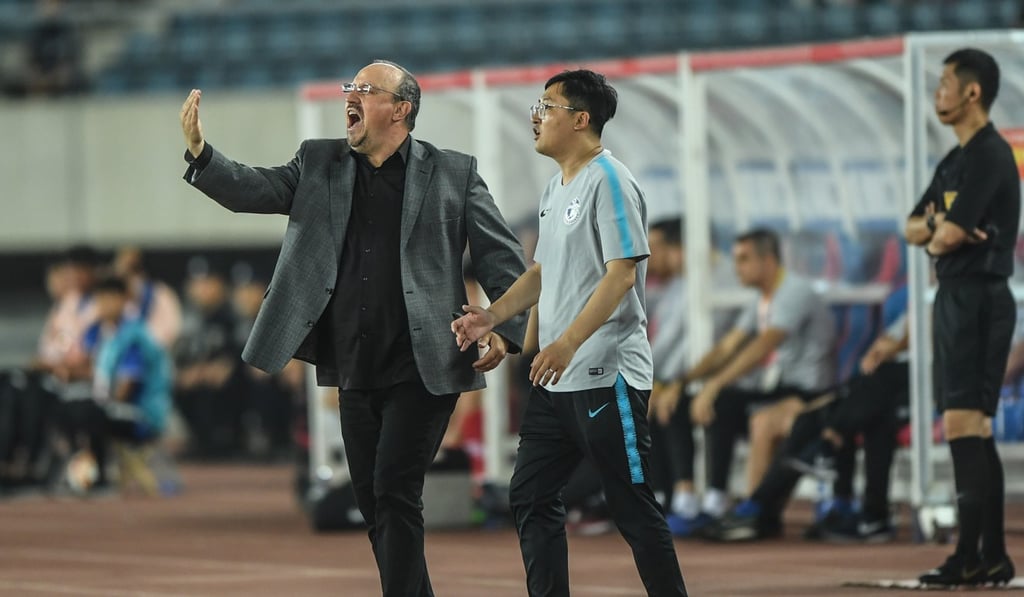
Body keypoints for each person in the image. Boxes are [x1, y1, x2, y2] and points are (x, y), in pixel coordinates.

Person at [179, 60, 527, 596]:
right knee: (373, 501)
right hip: (353, 363)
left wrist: (504, 328)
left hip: (427, 361)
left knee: (393, 490)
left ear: (401, 109)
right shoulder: (319, 161)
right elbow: (256, 189)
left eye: (366, 90)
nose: (352, 96)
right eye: (351, 88)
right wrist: (204, 154)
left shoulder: (454, 171)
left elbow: (501, 256)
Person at [453, 69, 687, 596]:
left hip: (608, 375)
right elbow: (542, 273)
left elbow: (621, 273)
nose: (537, 115)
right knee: (530, 495)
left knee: (631, 505)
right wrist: (492, 316)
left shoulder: (611, 181)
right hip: (556, 381)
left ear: (581, 120)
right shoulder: (555, 187)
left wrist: (567, 342)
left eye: (548, 105)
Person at [905, 48, 1019, 587]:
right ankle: (985, 554)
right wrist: (939, 230)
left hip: (981, 298)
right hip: (954, 296)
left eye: (946, 82)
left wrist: (940, 230)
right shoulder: (953, 160)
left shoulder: (991, 156)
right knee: (969, 428)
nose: (939, 92)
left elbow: (943, 233)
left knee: (966, 425)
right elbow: (914, 226)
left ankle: (974, 555)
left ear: (972, 93)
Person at [656, 228, 836, 535]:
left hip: (808, 393)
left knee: (720, 398)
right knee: (688, 402)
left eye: (744, 259)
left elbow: (763, 345)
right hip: (776, 390)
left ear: (768, 261)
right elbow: (728, 346)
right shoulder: (760, 300)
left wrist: (713, 385)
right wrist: (683, 383)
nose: (737, 267)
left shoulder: (794, 291)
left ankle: (734, 506)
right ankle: (692, 500)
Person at [83, 275, 172, 495]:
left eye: (111, 299)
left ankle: (100, 477)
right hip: (117, 407)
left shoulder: (134, 336)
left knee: (92, 415)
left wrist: (99, 404)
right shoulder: (100, 332)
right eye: (101, 299)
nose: (105, 305)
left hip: (143, 414)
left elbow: (128, 384)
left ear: (125, 300)